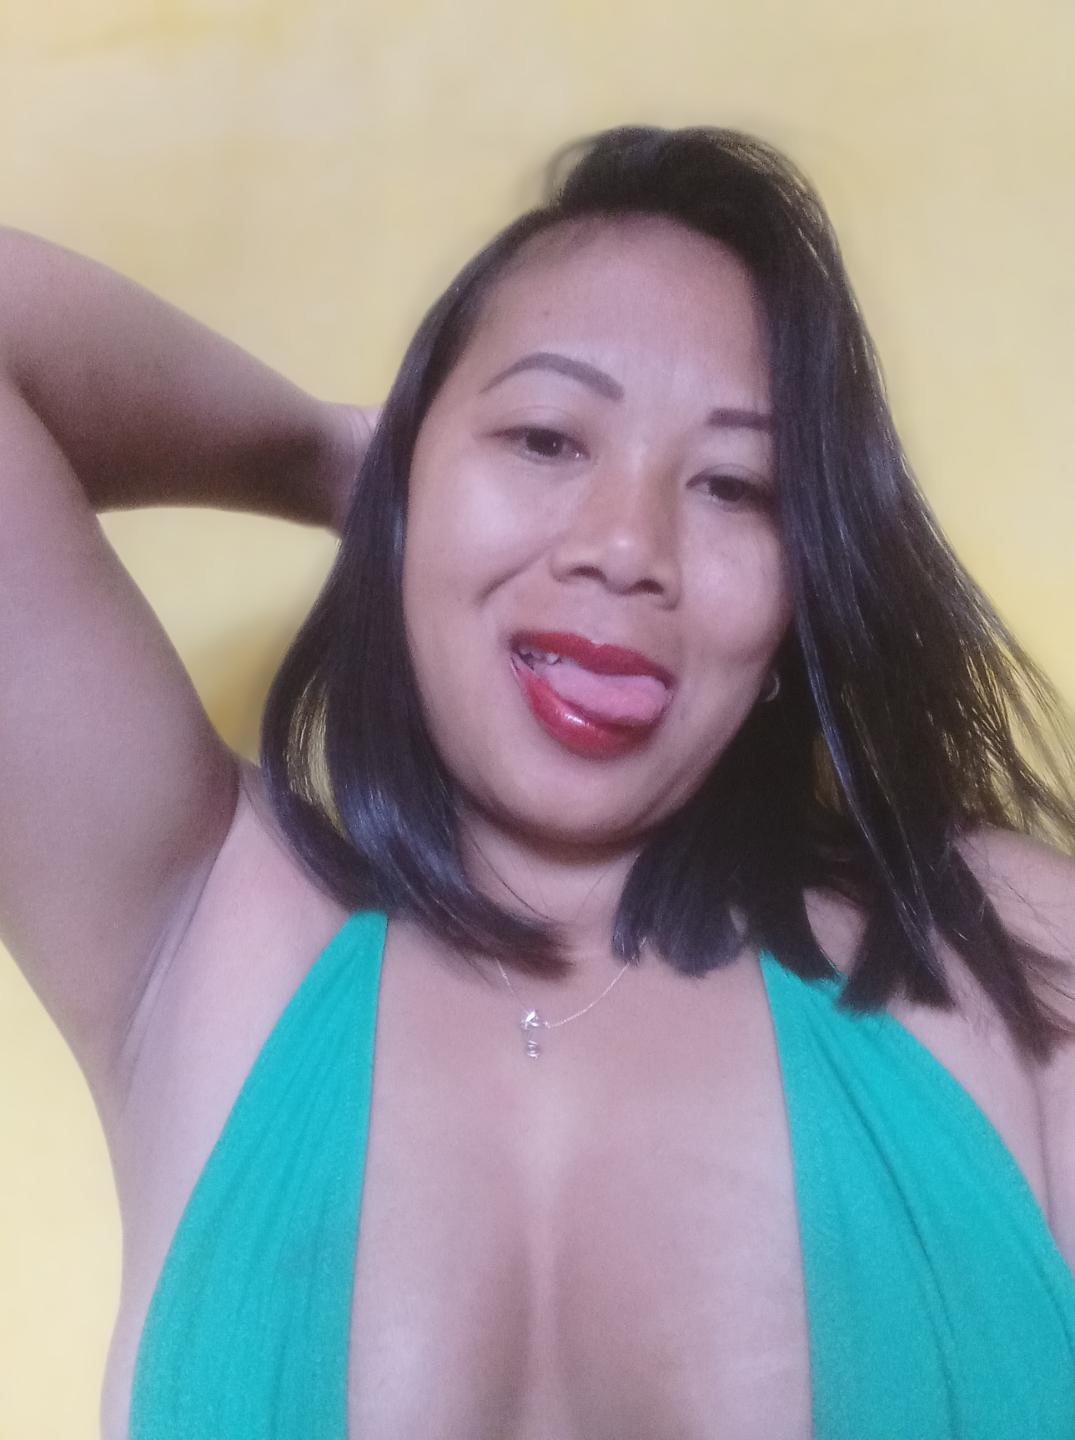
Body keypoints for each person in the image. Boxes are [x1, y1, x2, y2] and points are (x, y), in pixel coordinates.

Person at [2, 126, 1074, 1440]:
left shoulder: (1017, 960)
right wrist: (333, 462)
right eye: (546, 439)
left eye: (735, 486)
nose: (626, 545)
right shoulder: (203, 921)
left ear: (803, 593)